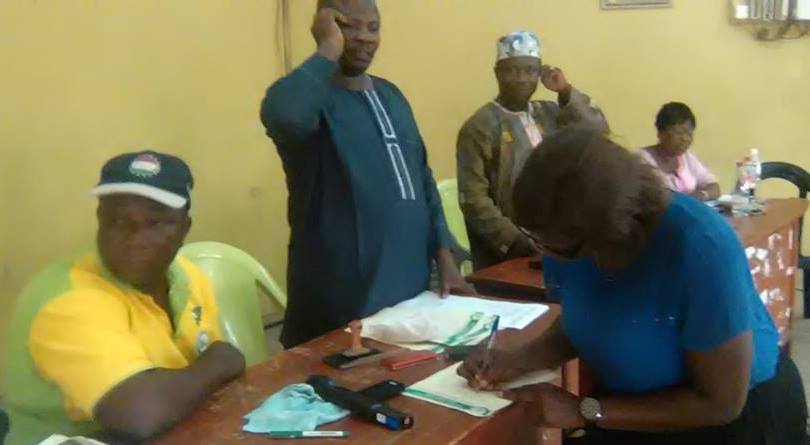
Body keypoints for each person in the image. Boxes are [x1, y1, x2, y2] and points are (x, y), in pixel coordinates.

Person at [458, 128, 807, 444]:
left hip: (734, 424)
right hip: (633, 413)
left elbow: (721, 403)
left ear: (606, 233)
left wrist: (585, 410)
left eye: (552, 245)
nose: (541, 251)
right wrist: (516, 360)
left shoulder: (699, 247)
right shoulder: (561, 233)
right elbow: (584, 320)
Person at [260, 0, 473, 348]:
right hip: (338, 307)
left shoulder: (392, 96)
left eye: (373, 27)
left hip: (411, 299)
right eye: (348, 26)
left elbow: (422, 180)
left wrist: (445, 257)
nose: (364, 38)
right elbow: (283, 115)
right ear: (324, 26)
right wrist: (327, 49)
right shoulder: (313, 99)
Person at [2, 151, 245, 445]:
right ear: (99, 220)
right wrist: (218, 362)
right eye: (118, 220)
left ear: (184, 229)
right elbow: (140, 414)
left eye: (154, 222)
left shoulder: (189, 277)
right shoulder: (71, 299)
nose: (134, 238)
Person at [457, 30, 607, 270]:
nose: (521, 78)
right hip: (510, 255)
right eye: (511, 70)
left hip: (561, 243)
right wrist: (519, 242)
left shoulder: (548, 113)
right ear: (497, 73)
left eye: (530, 70)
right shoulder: (480, 127)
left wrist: (565, 90)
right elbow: (474, 201)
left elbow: (596, 132)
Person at [640, 102, 720, 201]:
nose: (684, 138)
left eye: (689, 133)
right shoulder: (643, 159)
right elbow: (659, 198)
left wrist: (701, 195)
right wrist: (687, 202)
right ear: (661, 133)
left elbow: (714, 187)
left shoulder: (687, 158)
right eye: (678, 133)